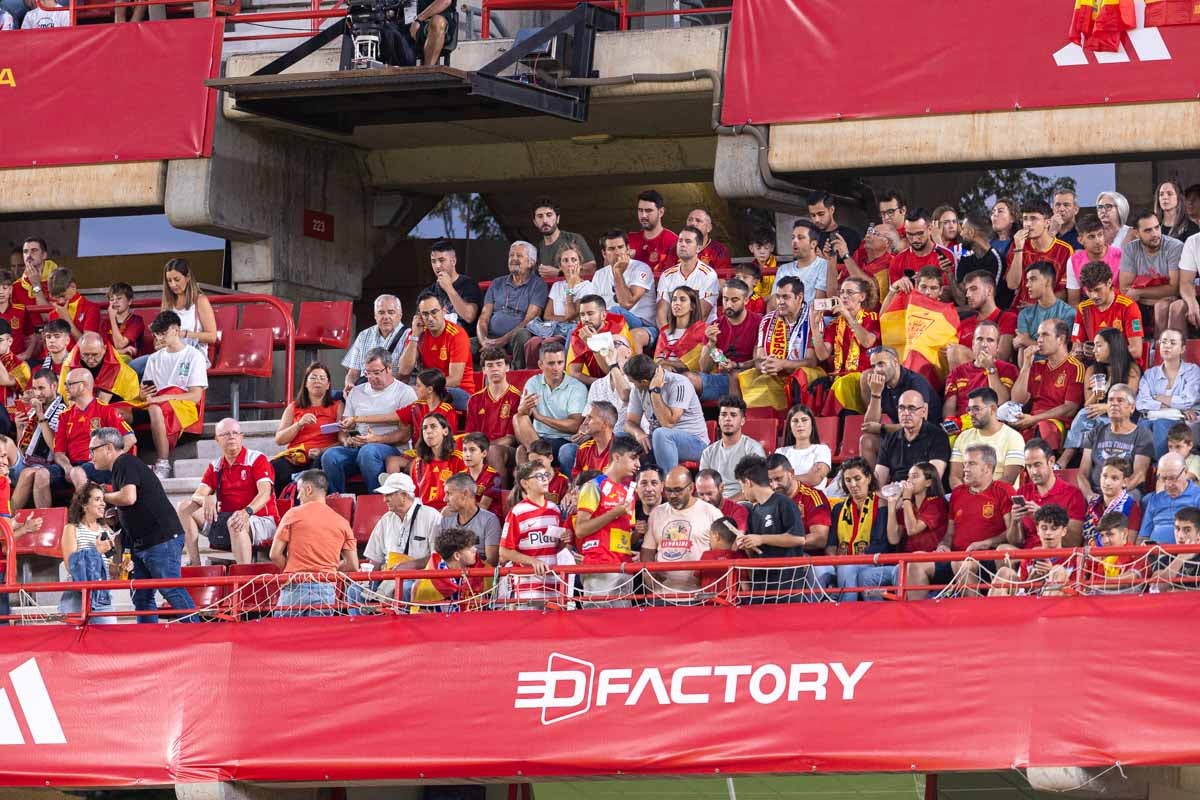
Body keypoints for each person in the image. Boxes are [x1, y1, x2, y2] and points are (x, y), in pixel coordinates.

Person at [93, 427, 196, 623]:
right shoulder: (121, 468)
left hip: (160, 539)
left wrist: (100, 497)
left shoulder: (124, 461)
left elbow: (128, 497)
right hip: (143, 543)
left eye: (93, 450)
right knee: (141, 597)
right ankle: (148, 641)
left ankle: (199, 635)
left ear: (108, 448)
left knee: (170, 588)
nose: (90, 456)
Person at [908, 444, 1013, 599]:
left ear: (987, 467)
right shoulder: (958, 493)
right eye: (964, 464)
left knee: (963, 564)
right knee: (915, 561)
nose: (965, 469)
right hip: (955, 557)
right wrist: (943, 545)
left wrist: (986, 543)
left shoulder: (1003, 490)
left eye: (971, 464)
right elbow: (950, 534)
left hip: (985, 560)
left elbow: (1012, 534)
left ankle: (972, 616)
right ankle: (919, 620)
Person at [178, 417, 278, 566]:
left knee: (235, 521)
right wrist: (206, 499)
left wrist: (246, 512)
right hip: (226, 519)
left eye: (235, 433)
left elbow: (265, 493)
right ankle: (194, 563)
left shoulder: (257, 459)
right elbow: (198, 494)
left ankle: (244, 575)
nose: (231, 437)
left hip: (261, 519)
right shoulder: (216, 465)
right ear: (217, 440)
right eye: (225, 434)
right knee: (184, 507)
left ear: (241, 437)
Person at [320, 347, 417, 494]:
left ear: (389, 368)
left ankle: (377, 497)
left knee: (369, 451)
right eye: (368, 373)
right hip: (357, 446)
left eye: (376, 373)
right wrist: (347, 439)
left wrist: (376, 439)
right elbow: (344, 428)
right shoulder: (357, 392)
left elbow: (405, 435)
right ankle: (339, 499)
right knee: (330, 456)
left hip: (390, 448)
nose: (371, 377)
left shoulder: (404, 392)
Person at [269, 470, 360, 617]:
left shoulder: (293, 514)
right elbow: (353, 565)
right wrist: (329, 568)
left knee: (284, 637)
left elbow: (274, 554)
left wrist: (293, 569)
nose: (298, 497)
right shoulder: (342, 523)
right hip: (325, 589)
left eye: (299, 491)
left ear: (308, 489)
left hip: (294, 586)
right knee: (318, 638)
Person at [860, 462, 948, 597]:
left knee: (899, 572)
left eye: (914, 477)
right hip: (904, 561)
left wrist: (906, 498)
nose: (909, 481)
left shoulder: (936, 503)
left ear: (928, 482)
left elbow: (913, 529)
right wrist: (891, 504)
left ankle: (900, 609)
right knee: (866, 577)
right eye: (908, 477)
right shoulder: (908, 506)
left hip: (926, 563)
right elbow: (894, 538)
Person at [137, 311, 209, 477]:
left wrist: (165, 397)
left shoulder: (194, 355)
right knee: (119, 412)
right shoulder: (154, 358)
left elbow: (195, 396)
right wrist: (142, 394)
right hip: (158, 402)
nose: (159, 337)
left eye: (163, 333)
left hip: (183, 405)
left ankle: (163, 462)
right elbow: (148, 392)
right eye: (157, 334)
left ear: (176, 330)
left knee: (155, 408)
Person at [733, 455, 811, 603]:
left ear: (748, 482)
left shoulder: (784, 503)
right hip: (761, 586)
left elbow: (798, 538)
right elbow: (755, 551)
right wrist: (746, 545)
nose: (743, 492)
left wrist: (761, 538)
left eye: (741, 486)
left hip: (787, 587)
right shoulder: (754, 511)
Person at [1059, 329, 1142, 468]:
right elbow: (1088, 405)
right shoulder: (1092, 370)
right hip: (1096, 417)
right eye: (1094, 346)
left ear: (1113, 346)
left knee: (1089, 421)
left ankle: (1066, 461)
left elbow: (1129, 402)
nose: (1094, 350)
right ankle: (1068, 462)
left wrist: (1107, 407)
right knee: (1085, 416)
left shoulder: (1131, 370)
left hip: (1122, 416)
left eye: (1099, 345)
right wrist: (1096, 395)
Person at [641, 464, 723, 601]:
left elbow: (722, 553)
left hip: (700, 595)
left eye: (678, 490)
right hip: (663, 595)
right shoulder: (657, 513)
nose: (672, 495)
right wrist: (650, 574)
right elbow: (647, 550)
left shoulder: (711, 513)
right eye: (668, 490)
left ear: (691, 488)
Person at [130, 258, 217, 377]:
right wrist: (159, 341)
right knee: (133, 367)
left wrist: (185, 334)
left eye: (177, 280)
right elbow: (159, 339)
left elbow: (212, 337)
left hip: (191, 356)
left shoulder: (200, 301)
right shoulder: (168, 303)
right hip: (169, 354)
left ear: (187, 278)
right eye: (169, 281)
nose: (173, 285)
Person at [623, 353, 708, 471]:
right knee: (621, 437)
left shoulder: (679, 383)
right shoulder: (638, 389)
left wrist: (655, 391)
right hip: (658, 440)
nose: (633, 385)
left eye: (633, 382)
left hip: (695, 443)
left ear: (643, 381)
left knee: (661, 434)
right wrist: (639, 433)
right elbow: (629, 423)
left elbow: (668, 423)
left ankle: (667, 484)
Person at [54, 368, 136, 491]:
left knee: (77, 473)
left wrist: (108, 459)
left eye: (69, 384)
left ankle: (87, 510)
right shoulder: (64, 416)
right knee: (41, 475)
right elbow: (59, 453)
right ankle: (41, 511)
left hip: (99, 465)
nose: (65, 387)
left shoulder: (105, 410)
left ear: (84, 385)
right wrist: (67, 467)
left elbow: (130, 438)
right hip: (72, 465)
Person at [1010, 318, 1084, 450]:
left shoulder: (1076, 367)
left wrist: (1035, 419)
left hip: (1056, 424)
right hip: (1031, 421)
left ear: (1060, 339)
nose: (1039, 340)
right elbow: (1017, 400)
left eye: (1045, 335)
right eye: (1038, 335)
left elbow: (1070, 408)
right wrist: (1026, 365)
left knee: (1044, 426)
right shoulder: (1037, 366)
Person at [498, 462, 565, 609]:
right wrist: (532, 561)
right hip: (528, 589)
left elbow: (556, 547)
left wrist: (566, 540)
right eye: (539, 476)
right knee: (531, 630)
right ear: (525, 483)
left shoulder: (555, 510)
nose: (545, 479)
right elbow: (504, 551)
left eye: (546, 475)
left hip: (554, 585)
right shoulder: (517, 512)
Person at [860, 347, 942, 463]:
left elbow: (920, 425)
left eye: (881, 364)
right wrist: (875, 393)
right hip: (901, 435)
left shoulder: (915, 382)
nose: (877, 370)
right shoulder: (880, 384)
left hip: (926, 438)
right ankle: (871, 481)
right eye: (873, 366)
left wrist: (882, 428)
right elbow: (869, 426)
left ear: (894, 362)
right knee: (867, 440)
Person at [271, 362, 342, 497]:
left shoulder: (337, 406)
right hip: (297, 456)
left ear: (328, 385)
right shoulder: (294, 407)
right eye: (313, 377)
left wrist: (322, 451)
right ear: (305, 383)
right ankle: (280, 508)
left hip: (321, 456)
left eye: (322, 378)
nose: (317, 381)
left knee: (316, 468)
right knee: (276, 467)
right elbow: (279, 439)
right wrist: (299, 424)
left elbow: (342, 440)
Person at [362, 471, 444, 586]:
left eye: (389, 495)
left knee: (405, 588)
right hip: (388, 577)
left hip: (419, 578)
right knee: (354, 590)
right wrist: (366, 581)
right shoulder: (386, 519)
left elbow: (438, 557)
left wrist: (412, 565)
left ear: (404, 495)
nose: (384, 500)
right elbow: (375, 558)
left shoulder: (431, 516)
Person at [400, 290, 476, 411]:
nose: (430, 318)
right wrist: (414, 336)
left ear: (444, 311)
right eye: (425, 314)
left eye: (434, 312)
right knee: (400, 394)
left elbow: (455, 379)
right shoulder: (417, 333)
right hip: (429, 388)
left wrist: (426, 388)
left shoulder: (457, 334)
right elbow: (404, 370)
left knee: (418, 396)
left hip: (459, 391)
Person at [744, 276, 812, 411]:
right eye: (778, 297)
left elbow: (813, 362)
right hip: (774, 375)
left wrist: (783, 364)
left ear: (799, 297)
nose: (780, 302)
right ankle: (765, 429)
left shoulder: (812, 318)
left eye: (785, 297)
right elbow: (759, 359)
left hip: (802, 375)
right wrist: (765, 366)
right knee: (749, 379)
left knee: (800, 375)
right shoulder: (767, 320)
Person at [825, 458, 888, 601]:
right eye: (848, 480)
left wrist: (850, 561)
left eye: (857, 478)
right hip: (841, 562)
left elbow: (881, 544)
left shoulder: (881, 505)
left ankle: (847, 609)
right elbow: (831, 544)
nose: (852, 484)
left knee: (847, 568)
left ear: (868, 478)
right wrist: (834, 559)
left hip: (872, 561)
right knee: (817, 569)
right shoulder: (838, 508)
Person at [1076, 382, 1154, 499]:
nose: (1114, 404)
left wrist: (1113, 495)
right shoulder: (1096, 432)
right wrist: (1089, 495)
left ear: (1132, 408)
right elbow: (1082, 473)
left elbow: (1139, 475)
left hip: (1126, 491)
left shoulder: (1142, 434)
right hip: (1095, 492)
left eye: (1120, 400)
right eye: (1111, 400)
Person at [477, 242, 548, 369]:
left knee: (522, 334)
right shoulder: (497, 283)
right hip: (490, 338)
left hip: (514, 338)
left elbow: (530, 320)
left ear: (531, 263)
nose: (513, 259)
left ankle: (517, 376)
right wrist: (484, 341)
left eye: (519, 256)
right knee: (465, 343)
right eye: (511, 255)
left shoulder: (538, 285)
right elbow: (483, 318)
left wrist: (502, 340)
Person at [513, 340, 587, 460]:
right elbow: (523, 416)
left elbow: (574, 426)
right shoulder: (533, 382)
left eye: (560, 362)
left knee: (523, 451)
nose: (556, 368)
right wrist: (523, 408)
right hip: (537, 438)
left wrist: (540, 418)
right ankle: (538, 458)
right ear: (540, 364)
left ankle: (538, 459)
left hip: (563, 440)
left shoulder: (577, 387)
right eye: (551, 363)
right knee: (518, 417)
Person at [522, 246, 595, 365]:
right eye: (565, 261)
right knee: (532, 343)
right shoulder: (557, 286)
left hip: (571, 332)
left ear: (580, 264)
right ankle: (533, 375)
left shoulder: (588, 287)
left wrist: (570, 289)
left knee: (549, 342)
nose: (570, 264)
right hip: (554, 329)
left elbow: (571, 314)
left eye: (574, 260)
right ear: (560, 266)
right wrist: (565, 319)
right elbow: (547, 315)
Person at [1009, 438, 1086, 550]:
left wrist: (1042, 517)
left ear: (1051, 461)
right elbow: (1015, 543)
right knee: (1002, 549)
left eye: (1037, 465)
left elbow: (1074, 542)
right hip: (1027, 555)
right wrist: (1015, 521)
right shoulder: (1022, 492)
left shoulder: (1073, 494)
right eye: (1029, 466)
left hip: (1058, 555)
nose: (1033, 472)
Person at [1135, 329, 1200, 455]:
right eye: (1163, 342)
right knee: (1144, 427)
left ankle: (1164, 469)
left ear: (1182, 349)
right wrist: (1178, 408)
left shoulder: (1193, 371)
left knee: (1161, 424)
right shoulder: (1150, 374)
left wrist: (1157, 397)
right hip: (1152, 419)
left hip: (1182, 421)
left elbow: (1188, 400)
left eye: (1172, 342)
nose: (1167, 346)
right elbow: (1141, 403)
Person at [57, 482, 116, 622]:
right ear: (84, 505)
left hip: (102, 596)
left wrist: (120, 568)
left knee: (106, 641)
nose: (103, 504)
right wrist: (97, 550)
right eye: (97, 499)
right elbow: (71, 565)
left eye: (103, 499)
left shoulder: (106, 531)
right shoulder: (71, 529)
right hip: (77, 597)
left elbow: (108, 568)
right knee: (76, 642)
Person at [10, 369, 66, 510]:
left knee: (27, 473)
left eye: (41, 388)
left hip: (47, 465)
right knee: (3, 444)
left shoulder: (62, 410)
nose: (37, 393)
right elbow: (22, 445)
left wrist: (41, 415)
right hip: (25, 460)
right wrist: (20, 428)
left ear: (53, 386)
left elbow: (55, 447)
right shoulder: (34, 408)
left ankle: (7, 520)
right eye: (34, 388)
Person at [591, 229, 657, 350]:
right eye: (611, 249)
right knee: (576, 331)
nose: (617, 252)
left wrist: (617, 272)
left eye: (620, 247)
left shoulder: (641, 268)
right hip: (609, 325)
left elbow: (626, 303)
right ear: (604, 254)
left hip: (643, 324)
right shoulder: (599, 275)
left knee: (616, 311)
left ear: (627, 249)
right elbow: (593, 307)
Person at [1120, 210, 1184, 334]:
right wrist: (1155, 295)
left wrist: (1139, 292)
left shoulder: (1174, 247)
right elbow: (1125, 290)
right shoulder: (1130, 249)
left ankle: (1159, 350)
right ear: (1136, 233)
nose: (1155, 234)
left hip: (1170, 303)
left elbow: (1174, 289)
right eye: (1148, 230)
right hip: (1141, 306)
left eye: (1157, 227)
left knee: (1163, 306)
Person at [990, 504, 1074, 597]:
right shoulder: (1030, 556)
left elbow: (1077, 591)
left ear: (1064, 531)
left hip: (1061, 607)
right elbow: (1023, 591)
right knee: (1004, 572)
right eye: (1044, 528)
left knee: (1058, 570)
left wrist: (1051, 573)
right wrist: (1034, 577)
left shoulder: (1074, 557)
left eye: (1054, 529)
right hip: (1029, 604)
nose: (1048, 533)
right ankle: (991, 611)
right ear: (1038, 530)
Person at [943, 321, 1018, 425]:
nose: (984, 345)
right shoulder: (957, 372)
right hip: (964, 428)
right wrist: (950, 426)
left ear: (997, 347)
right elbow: (949, 408)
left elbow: (1001, 401)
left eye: (990, 340)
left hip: (993, 427)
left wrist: (990, 367)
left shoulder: (1008, 369)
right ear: (973, 344)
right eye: (980, 339)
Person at [948, 387, 1025, 488]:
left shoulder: (1013, 437)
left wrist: (981, 496)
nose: (971, 414)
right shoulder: (963, 437)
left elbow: (1008, 479)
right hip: (967, 496)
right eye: (969, 409)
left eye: (976, 409)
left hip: (999, 498)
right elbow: (955, 477)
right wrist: (964, 496)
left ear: (992, 409)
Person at [875, 389, 951, 486]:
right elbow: (879, 480)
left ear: (923, 411)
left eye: (912, 408)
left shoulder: (938, 437)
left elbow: (932, 479)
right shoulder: (890, 439)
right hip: (896, 495)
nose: (906, 413)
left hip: (925, 495)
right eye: (901, 408)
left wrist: (905, 493)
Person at [1006, 200, 1074, 308]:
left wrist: (1038, 307)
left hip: (1050, 311)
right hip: (1020, 310)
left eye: (1033, 219)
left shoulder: (1064, 250)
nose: (1028, 224)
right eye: (1025, 219)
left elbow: (1064, 292)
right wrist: (1019, 249)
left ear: (1047, 223)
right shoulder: (1018, 244)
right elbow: (1012, 284)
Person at [1074, 260, 1144, 364]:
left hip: (1124, 364)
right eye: (1089, 291)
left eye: (1098, 289)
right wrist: (1079, 351)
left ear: (1109, 282)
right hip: (1096, 365)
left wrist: (1103, 354)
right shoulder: (1083, 308)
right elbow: (1076, 346)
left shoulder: (1129, 306)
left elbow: (1136, 351)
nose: (1094, 296)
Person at [810, 276, 879, 382]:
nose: (844, 296)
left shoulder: (872, 317)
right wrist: (814, 327)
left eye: (850, 292)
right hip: (839, 375)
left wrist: (848, 315)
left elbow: (867, 342)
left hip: (863, 376)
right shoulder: (835, 324)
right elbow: (822, 355)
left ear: (862, 296)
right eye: (842, 292)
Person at [466, 346, 520, 474]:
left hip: (507, 450)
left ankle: (498, 493)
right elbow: (470, 435)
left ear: (507, 367)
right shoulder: (475, 399)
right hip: (479, 448)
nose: (494, 368)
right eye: (490, 365)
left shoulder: (516, 397)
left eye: (499, 364)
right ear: (484, 370)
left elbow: (510, 439)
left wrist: (483, 448)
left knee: (494, 451)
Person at [340, 294, 409, 392]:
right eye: (381, 312)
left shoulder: (409, 335)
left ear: (400, 315)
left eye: (391, 312)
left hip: (394, 393)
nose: (386, 317)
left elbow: (405, 375)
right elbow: (353, 372)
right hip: (365, 393)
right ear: (375, 316)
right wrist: (349, 384)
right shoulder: (364, 335)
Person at [699, 396, 765, 498]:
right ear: (719, 420)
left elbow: (756, 486)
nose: (728, 419)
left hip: (743, 503)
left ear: (742, 421)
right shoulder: (708, 452)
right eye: (723, 415)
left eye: (733, 415)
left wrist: (728, 505)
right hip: (714, 502)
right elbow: (702, 486)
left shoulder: (752, 448)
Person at [565, 294, 636, 388]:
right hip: (594, 383)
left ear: (603, 315)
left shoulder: (618, 325)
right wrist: (601, 384)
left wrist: (594, 343)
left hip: (624, 379)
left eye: (590, 314)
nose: (585, 319)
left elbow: (615, 369)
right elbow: (575, 373)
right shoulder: (578, 334)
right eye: (582, 314)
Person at [655, 226, 720, 326]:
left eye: (688, 241)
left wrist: (681, 337)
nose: (682, 244)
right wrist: (668, 336)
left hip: (702, 333)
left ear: (699, 248)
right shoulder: (666, 275)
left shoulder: (709, 275)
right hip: (671, 333)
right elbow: (661, 314)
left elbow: (701, 315)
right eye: (680, 241)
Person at [952, 271, 1016, 366]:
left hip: (990, 375)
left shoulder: (1007, 318)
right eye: (967, 291)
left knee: (955, 351)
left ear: (989, 290)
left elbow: (1002, 357)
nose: (968, 295)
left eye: (973, 289)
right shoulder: (965, 322)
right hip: (959, 375)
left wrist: (962, 353)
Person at [60, 331, 141, 405]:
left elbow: (132, 399)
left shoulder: (119, 368)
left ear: (104, 349)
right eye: (85, 355)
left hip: (113, 403)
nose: (90, 360)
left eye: (95, 355)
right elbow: (68, 398)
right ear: (79, 350)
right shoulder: (69, 364)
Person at [440, 472, 501, 567]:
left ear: (465, 493)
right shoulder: (446, 518)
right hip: (451, 575)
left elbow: (492, 561)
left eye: (449, 493)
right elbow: (440, 554)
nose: (445, 499)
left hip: (479, 575)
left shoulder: (489, 520)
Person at [405, 414, 464, 511]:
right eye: (424, 428)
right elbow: (416, 497)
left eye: (433, 426)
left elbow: (463, 496)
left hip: (451, 512)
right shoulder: (418, 463)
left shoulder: (458, 459)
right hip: (425, 515)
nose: (428, 431)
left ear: (445, 431)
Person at [424, 240, 482, 338]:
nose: (437, 266)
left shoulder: (468, 284)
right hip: (438, 340)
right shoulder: (429, 291)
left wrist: (449, 289)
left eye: (442, 260)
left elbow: (469, 316)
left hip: (465, 340)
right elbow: (421, 321)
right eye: (433, 261)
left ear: (453, 261)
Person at [889, 209, 956, 293]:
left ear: (930, 229)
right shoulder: (897, 261)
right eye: (910, 234)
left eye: (919, 233)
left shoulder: (946, 256)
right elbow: (892, 302)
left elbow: (952, 296)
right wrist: (897, 286)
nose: (915, 239)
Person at [1139, 453, 1200, 544]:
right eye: (1163, 478)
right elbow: (1142, 537)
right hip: (1155, 555)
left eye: (1173, 478)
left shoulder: (1197, 496)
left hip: (1187, 554)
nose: (1168, 484)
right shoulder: (1155, 499)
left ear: (1186, 472)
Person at [1014, 262, 1077, 350]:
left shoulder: (1068, 313)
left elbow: (1061, 350)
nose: (1027, 285)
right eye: (1027, 280)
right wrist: (1024, 342)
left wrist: (1026, 341)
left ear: (1048, 281)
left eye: (1033, 279)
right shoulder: (1025, 314)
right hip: (1030, 364)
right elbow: (1022, 358)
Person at [1082, 457, 1142, 547]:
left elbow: (1129, 542)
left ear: (1124, 482)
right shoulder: (1093, 505)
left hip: (1118, 558)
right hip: (1092, 557)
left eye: (1114, 478)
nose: (1107, 482)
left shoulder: (1131, 506)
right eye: (1105, 476)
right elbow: (1086, 540)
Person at [1067, 213, 1124, 305]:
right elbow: (1074, 302)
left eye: (1100, 234)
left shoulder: (1121, 256)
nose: (1098, 241)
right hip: (1089, 308)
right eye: (1091, 236)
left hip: (1117, 307)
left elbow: (1126, 294)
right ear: (1080, 240)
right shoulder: (1073, 261)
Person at [533, 197, 596, 278]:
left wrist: (560, 273)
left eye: (549, 215)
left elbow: (591, 269)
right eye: (540, 216)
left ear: (557, 218)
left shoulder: (574, 239)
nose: (545, 220)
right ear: (535, 222)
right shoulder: (537, 248)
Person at [775, 403, 832, 490]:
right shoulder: (780, 452)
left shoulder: (822, 450)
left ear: (812, 425)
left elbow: (814, 479)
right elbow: (773, 479)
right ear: (790, 427)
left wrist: (783, 479)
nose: (800, 424)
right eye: (795, 421)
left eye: (804, 420)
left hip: (813, 499)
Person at [654, 286, 708, 376]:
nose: (677, 303)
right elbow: (658, 361)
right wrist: (664, 366)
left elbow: (697, 364)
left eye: (682, 300)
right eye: (674, 300)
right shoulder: (664, 332)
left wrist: (667, 363)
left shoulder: (703, 330)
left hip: (693, 377)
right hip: (666, 374)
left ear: (692, 306)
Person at [776, 220, 833, 303]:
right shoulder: (783, 269)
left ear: (813, 244)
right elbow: (774, 301)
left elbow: (818, 303)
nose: (794, 241)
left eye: (800, 238)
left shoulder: (824, 265)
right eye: (793, 237)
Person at [628, 189, 679, 277]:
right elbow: (609, 269)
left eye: (648, 211)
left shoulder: (674, 241)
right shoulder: (629, 239)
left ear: (661, 212)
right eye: (640, 210)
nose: (643, 215)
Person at [561, 401, 617, 478]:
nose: (584, 423)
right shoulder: (583, 449)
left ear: (604, 423)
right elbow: (576, 483)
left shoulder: (621, 452)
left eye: (590, 418)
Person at [46, 267, 101, 341]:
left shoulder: (91, 309)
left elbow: (87, 344)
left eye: (62, 296)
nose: (60, 301)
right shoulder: (52, 315)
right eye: (56, 298)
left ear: (73, 286)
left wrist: (66, 319)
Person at [1151, 507, 1200, 589]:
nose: (1180, 536)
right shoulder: (1165, 557)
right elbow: (1156, 588)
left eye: (1187, 530)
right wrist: (1180, 558)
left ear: (1199, 534)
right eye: (1177, 529)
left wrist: (1174, 592)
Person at [809, 190, 862, 258]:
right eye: (813, 215)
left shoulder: (851, 236)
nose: (817, 220)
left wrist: (824, 261)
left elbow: (857, 266)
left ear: (832, 210)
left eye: (821, 214)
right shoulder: (809, 236)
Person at [0, 269, 37, 363]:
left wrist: (26, 354)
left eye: (4, 288)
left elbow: (32, 337)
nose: (1, 292)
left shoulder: (20, 310)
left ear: (10, 289)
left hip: (18, 362)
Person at [460, 432, 502, 511]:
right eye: (464, 450)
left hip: (488, 519)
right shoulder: (461, 476)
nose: (467, 454)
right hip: (466, 515)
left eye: (472, 450)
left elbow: (483, 507)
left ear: (484, 453)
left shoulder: (494, 476)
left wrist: (458, 503)